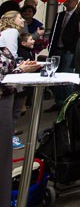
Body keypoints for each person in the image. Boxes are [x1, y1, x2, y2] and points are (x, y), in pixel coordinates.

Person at [0, 45, 39, 205]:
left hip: (7, 102)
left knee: (3, 158)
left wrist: (19, 68)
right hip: (3, 102)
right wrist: (20, 71)